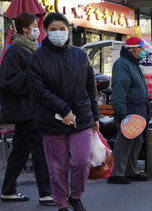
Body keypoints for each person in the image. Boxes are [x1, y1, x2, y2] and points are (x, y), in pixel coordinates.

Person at [29, 12, 99, 211]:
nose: (58, 33)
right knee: (57, 168)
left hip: (82, 118)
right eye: (53, 29)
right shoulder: (37, 58)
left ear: (68, 30)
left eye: (62, 29)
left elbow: (90, 88)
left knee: (82, 161)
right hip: (51, 120)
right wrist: (64, 108)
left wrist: (95, 115)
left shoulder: (80, 54)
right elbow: (38, 90)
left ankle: (75, 196)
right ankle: (61, 203)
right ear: (45, 31)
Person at [0, 12, 53, 205]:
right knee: (39, 150)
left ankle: (8, 190)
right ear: (25, 28)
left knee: (20, 152)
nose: (37, 30)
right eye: (34, 25)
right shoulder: (15, 51)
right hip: (25, 110)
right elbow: (8, 81)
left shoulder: (30, 50)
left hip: (30, 109)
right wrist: (34, 74)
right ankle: (46, 193)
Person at [107, 37, 152, 184]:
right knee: (124, 141)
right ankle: (116, 174)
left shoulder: (133, 63)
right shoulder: (122, 64)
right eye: (141, 49)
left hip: (138, 109)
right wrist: (122, 114)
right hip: (129, 110)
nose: (143, 52)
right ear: (133, 49)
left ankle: (131, 171)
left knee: (137, 140)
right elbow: (119, 90)